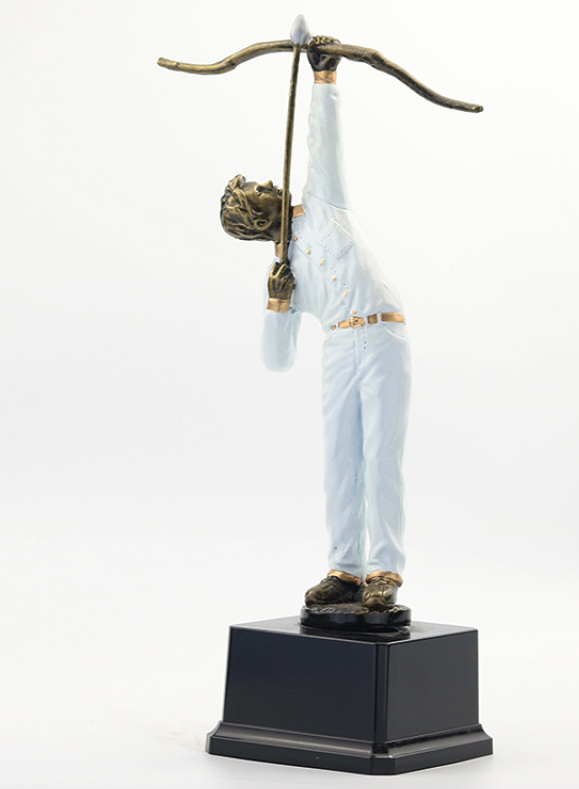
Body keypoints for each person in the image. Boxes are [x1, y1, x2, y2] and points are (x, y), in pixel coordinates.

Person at [220, 37, 411, 610]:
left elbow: (322, 144)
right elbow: (276, 360)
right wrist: (277, 303)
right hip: (337, 347)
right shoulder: (283, 270)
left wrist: (324, 78)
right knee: (340, 459)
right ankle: (345, 570)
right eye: (257, 192)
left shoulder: (323, 202)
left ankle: (384, 569)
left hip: (381, 334)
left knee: (381, 453)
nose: (268, 184)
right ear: (255, 220)